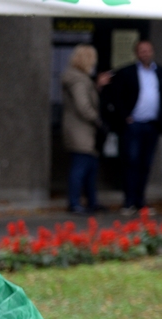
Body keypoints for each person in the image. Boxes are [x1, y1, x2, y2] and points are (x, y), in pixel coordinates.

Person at [103, 39, 162, 213]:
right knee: (131, 162)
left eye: (148, 50)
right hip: (133, 125)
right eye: (142, 50)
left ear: (152, 52)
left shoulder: (160, 72)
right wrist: (124, 116)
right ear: (136, 53)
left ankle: (141, 200)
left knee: (145, 164)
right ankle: (129, 201)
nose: (145, 53)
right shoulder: (127, 72)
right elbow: (116, 95)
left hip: (152, 125)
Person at [61, 44, 111, 214]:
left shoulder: (79, 78)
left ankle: (91, 201)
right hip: (81, 130)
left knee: (91, 166)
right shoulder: (78, 80)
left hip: (82, 130)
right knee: (81, 167)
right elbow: (83, 105)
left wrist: (97, 87)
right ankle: (75, 202)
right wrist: (97, 120)